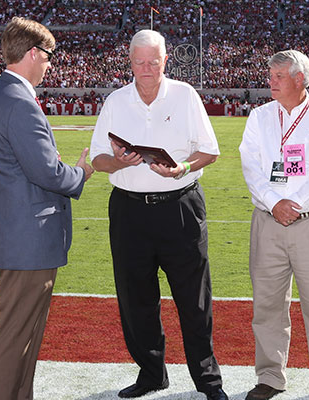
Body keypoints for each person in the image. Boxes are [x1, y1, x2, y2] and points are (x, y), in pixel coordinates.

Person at [89, 29, 227, 400]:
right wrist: (116, 161)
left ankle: (208, 381)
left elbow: (209, 151)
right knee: (136, 300)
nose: (147, 69)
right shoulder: (116, 101)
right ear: (129, 62)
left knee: (194, 299)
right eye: (139, 62)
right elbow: (98, 158)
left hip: (180, 207)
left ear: (166, 60)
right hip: (129, 211)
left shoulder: (185, 95)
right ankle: (151, 373)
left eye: (154, 61)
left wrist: (181, 166)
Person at [0, 17, 94, 400]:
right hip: (26, 241)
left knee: (23, 337)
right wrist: (84, 170)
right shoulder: (19, 102)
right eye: (48, 56)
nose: (50, 64)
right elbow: (48, 172)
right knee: (16, 337)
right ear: (33, 53)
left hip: (12, 233)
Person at [238, 50, 309, 400]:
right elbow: (251, 165)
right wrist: (275, 203)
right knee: (267, 304)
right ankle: (270, 376)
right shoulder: (259, 116)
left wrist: (294, 205)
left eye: (278, 76)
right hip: (268, 221)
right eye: (270, 75)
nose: (270, 81)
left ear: (300, 78)